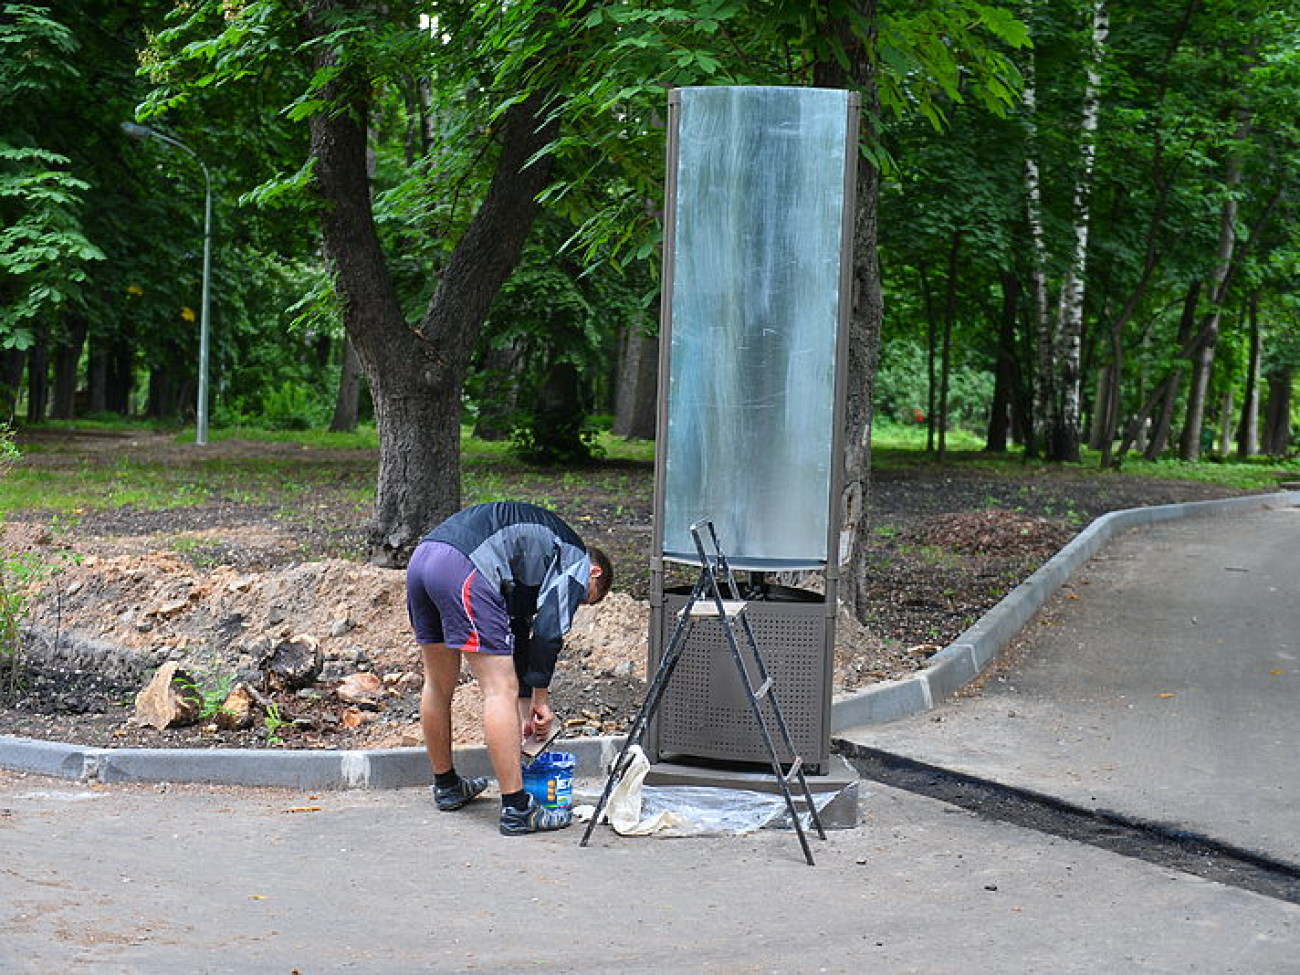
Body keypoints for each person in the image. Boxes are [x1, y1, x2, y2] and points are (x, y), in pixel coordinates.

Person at [405, 501, 613, 835]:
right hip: (465, 566)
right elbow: (547, 633)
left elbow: (518, 633)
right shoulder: (575, 557)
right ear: (595, 574)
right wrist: (541, 701)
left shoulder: (534, 561)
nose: (577, 603)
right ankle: (517, 809)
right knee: (498, 690)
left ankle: (447, 787)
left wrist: (527, 704)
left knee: (437, 685)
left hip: (424, 558)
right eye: (586, 599)